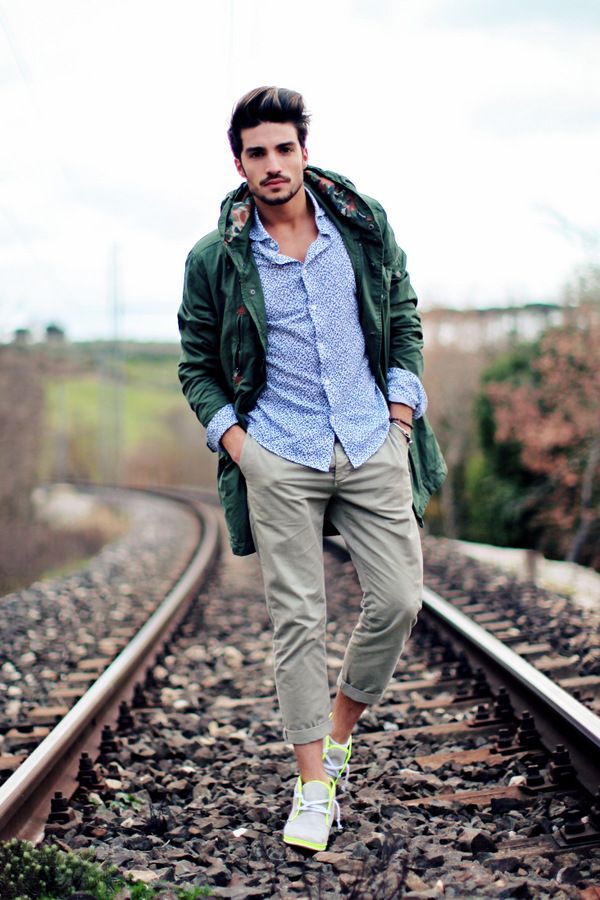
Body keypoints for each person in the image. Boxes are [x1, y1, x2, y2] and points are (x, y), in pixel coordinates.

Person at [178, 86, 446, 851]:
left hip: (370, 440)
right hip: (279, 453)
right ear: (239, 162)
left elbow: (402, 315)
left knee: (399, 601)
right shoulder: (217, 258)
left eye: (284, 148)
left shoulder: (360, 228)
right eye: (256, 153)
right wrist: (241, 450)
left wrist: (399, 417)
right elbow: (196, 365)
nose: (272, 165)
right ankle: (312, 789)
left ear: (304, 150)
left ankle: (338, 734)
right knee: (299, 621)